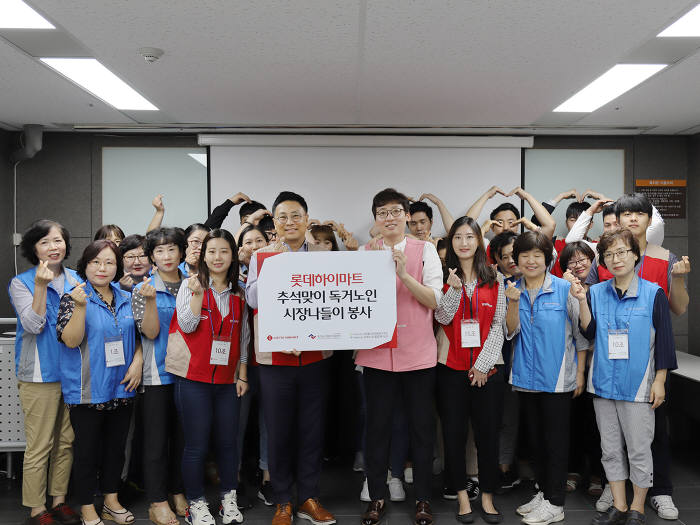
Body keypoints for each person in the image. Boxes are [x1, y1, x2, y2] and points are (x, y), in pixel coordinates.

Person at [585, 193, 690, 521]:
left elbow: (668, 336)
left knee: (646, 443)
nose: (617, 259)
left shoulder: (657, 282)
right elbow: (589, 331)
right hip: (604, 380)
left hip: (642, 378)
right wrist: (577, 301)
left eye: (623, 253)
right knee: (610, 447)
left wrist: (660, 378)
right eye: (610, 254)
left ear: (635, 256)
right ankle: (618, 502)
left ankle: (645, 501)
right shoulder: (595, 291)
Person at [245, 192, 336, 525]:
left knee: (312, 430)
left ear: (307, 219)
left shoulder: (323, 256)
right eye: (282, 217)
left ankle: (308, 498)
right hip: (274, 359)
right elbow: (253, 299)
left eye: (296, 216)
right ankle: (283, 500)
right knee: (279, 431)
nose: (289, 223)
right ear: (274, 222)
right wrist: (277, 263)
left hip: (314, 357)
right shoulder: (262, 257)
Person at [355, 188, 443, 525]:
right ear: (375, 219)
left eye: (395, 211)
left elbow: (435, 300)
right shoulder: (364, 252)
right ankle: (376, 496)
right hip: (377, 356)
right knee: (377, 429)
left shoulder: (426, 251)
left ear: (406, 215)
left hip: (418, 355)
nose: (389, 218)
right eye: (381, 213)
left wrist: (404, 273)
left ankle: (422, 499)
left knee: (421, 429)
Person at [505, 232, 590, 525]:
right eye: (525, 255)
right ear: (517, 259)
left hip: (558, 379)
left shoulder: (566, 288)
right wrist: (513, 303)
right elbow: (509, 332)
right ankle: (543, 493)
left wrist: (579, 373)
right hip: (526, 378)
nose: (530, 261)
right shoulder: (511, 288)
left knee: (555, 443)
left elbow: (581, 337)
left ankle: (556, 503)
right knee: (536, 442)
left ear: (547, 259)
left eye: (537, 255)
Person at [56, 240, 143, 525]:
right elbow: (70, 340)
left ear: (117, 267)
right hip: (88, 389)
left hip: (122, 385)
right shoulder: (73, 297)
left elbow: (141, 336)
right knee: (87, 452)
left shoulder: (127, 295)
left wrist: (138, 361)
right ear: (85, 264)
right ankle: (87, 507)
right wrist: (80, 307)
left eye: (109, 262)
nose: (102, 268)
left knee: (115, 450)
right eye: (96, 262)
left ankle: (110, 500)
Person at [167, 229, 250, 525]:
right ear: (203, 255)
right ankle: (196, 504)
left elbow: (243, 337)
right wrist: (198, 296)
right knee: (197, 444)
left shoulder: (239, 292)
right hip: (193, 379)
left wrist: (242, 375)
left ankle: (229, 499)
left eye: (224, 251)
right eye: (211, 251)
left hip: (228, 381)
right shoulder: (190, 285)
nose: (217, 257)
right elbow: (187, 326)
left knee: (228, 443)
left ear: (233, 255)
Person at [9, 220, 82, 525]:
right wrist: (41, 286)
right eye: (45, 242)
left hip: (73, 373)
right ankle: (37, 509)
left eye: (58, 241)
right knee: (40, 445)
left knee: (65, 441)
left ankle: (59, 501)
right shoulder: (21, 282)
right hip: (39, 374)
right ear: (33, 249)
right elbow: (33, 325)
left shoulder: (78, 279)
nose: (54, 247)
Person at [434, 216, 506, 524]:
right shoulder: (440, 276)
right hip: (450, 368)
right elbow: (442, 317)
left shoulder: (495, 278)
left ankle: (487, 495)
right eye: (458, 237)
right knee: (453, 434)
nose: (464, 243)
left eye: (469, 237)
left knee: (487, 435)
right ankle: (462, 496)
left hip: (486, 370)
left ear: (479, 241)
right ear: (452, 243)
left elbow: (499, 325)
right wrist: (452, 290)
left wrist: (481, 365)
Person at [132, 228, 188, 525]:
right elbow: (150, 333)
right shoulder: (142, 289)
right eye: (159, 251)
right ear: (152, 257)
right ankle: (157, 500)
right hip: (157, 374)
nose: (166, 256)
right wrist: (151, 300)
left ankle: (178, 490)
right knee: (156, 442)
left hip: (190, 374)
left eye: (171, 249)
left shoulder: (194, 284)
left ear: (181, 252)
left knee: (183, 438)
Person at [559, 243, 606, 497]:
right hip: (573, 366)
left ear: (593, 260)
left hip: (599, 366)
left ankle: (598, 475)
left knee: (596, 424)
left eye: (583, 259)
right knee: (574, 422)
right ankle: (574, 470)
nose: (578, 265)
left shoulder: (602, 290)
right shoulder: (563, 290)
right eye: (572, 262)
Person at [235, 225, 273, 505]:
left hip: (270, 357)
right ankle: (232, 479)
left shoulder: (277, 269)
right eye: (248, 241)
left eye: (260, 239)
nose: (254, 245)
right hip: (237, 361)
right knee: (236, 423)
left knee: (269, 422)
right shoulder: (230, 276)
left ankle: (268, 477)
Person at [487, 232, 522, 493]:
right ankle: (501, 467)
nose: (511, 260)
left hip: (536, 363)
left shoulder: (539, 280)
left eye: (514, 254)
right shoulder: (495, 284)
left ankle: (509, 465)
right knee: (503, 417)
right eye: (504, 256)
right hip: (502, 361)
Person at [566, 190, 665, 247]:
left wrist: (617, 204)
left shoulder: (641, 242)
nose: (612, 229)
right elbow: (572, 241)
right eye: (607, 225)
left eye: (616, 224)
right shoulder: (603, 249)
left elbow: (657, 224)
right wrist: (591, 210)